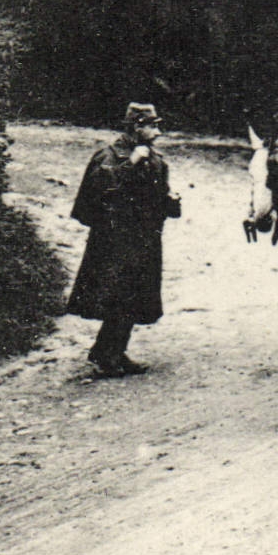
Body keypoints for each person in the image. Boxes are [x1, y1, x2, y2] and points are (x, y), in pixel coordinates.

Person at [65, 102, 182, 376]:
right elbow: (101, 191)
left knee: (135, 297)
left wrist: (171, 203)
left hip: (144, 239)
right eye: (152, 126)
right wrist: (131, 164)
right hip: (114, 241)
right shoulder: (109, 156)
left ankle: (113, 351)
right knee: (117, 297)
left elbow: (157, 197)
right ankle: (106, 354)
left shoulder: (155, 159)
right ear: (136, 127)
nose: (158, 132)